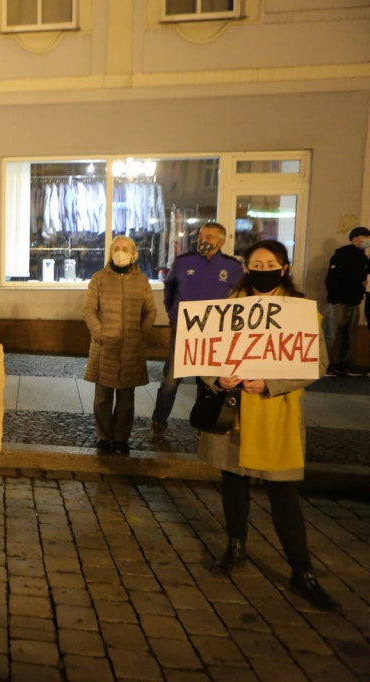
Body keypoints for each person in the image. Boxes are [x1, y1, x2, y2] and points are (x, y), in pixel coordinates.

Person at [202, 239, 338, 611]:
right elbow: (204, 355)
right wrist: (218, 378)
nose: (262, 269)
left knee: (284, 495)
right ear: (247, 267)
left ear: (284, 267)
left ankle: (302, 571)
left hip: (276, 414)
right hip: (236, 414)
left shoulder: (301, 313)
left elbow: (316, 365)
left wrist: (271, 384)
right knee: (233, 483)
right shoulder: (227, 308)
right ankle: (236, 546)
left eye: (269, 263)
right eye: (255, 264)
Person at [152, 223, 243, 432]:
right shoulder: (184, 262)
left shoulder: (232, 267)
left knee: (207, 383)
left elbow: (240, 298)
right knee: (170, 382)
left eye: (209, 237)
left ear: (221, 241)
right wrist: (172, 314)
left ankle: (203, 423)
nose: (203, 240)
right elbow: (170, 289)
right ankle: (158, 422)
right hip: (183, 332)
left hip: (214, 336)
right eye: (201, 235)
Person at [83, 235, 156, 455]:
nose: (120, 251)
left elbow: (150, 311)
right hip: (105, 347)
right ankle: (104, 436)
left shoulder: (142, 281)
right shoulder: (98, 279)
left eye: (125, 248)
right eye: (116, 247)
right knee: (103, 396)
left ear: (134, 254)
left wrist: (141, 333)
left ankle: (121, 438)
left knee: (126, 398)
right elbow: (89, 310)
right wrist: (100, 332)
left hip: (131, 348)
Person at [323, 226, 369, 377]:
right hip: (339, 301)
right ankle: (325, 366)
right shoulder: (342, 254)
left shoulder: (363, 258)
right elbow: (332, 278)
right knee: (332, 334)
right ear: (355, 238)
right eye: (365, 237)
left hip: (354, 300)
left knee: (349, 334)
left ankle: (344, 364)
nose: (367, 241)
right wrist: (334, 298)